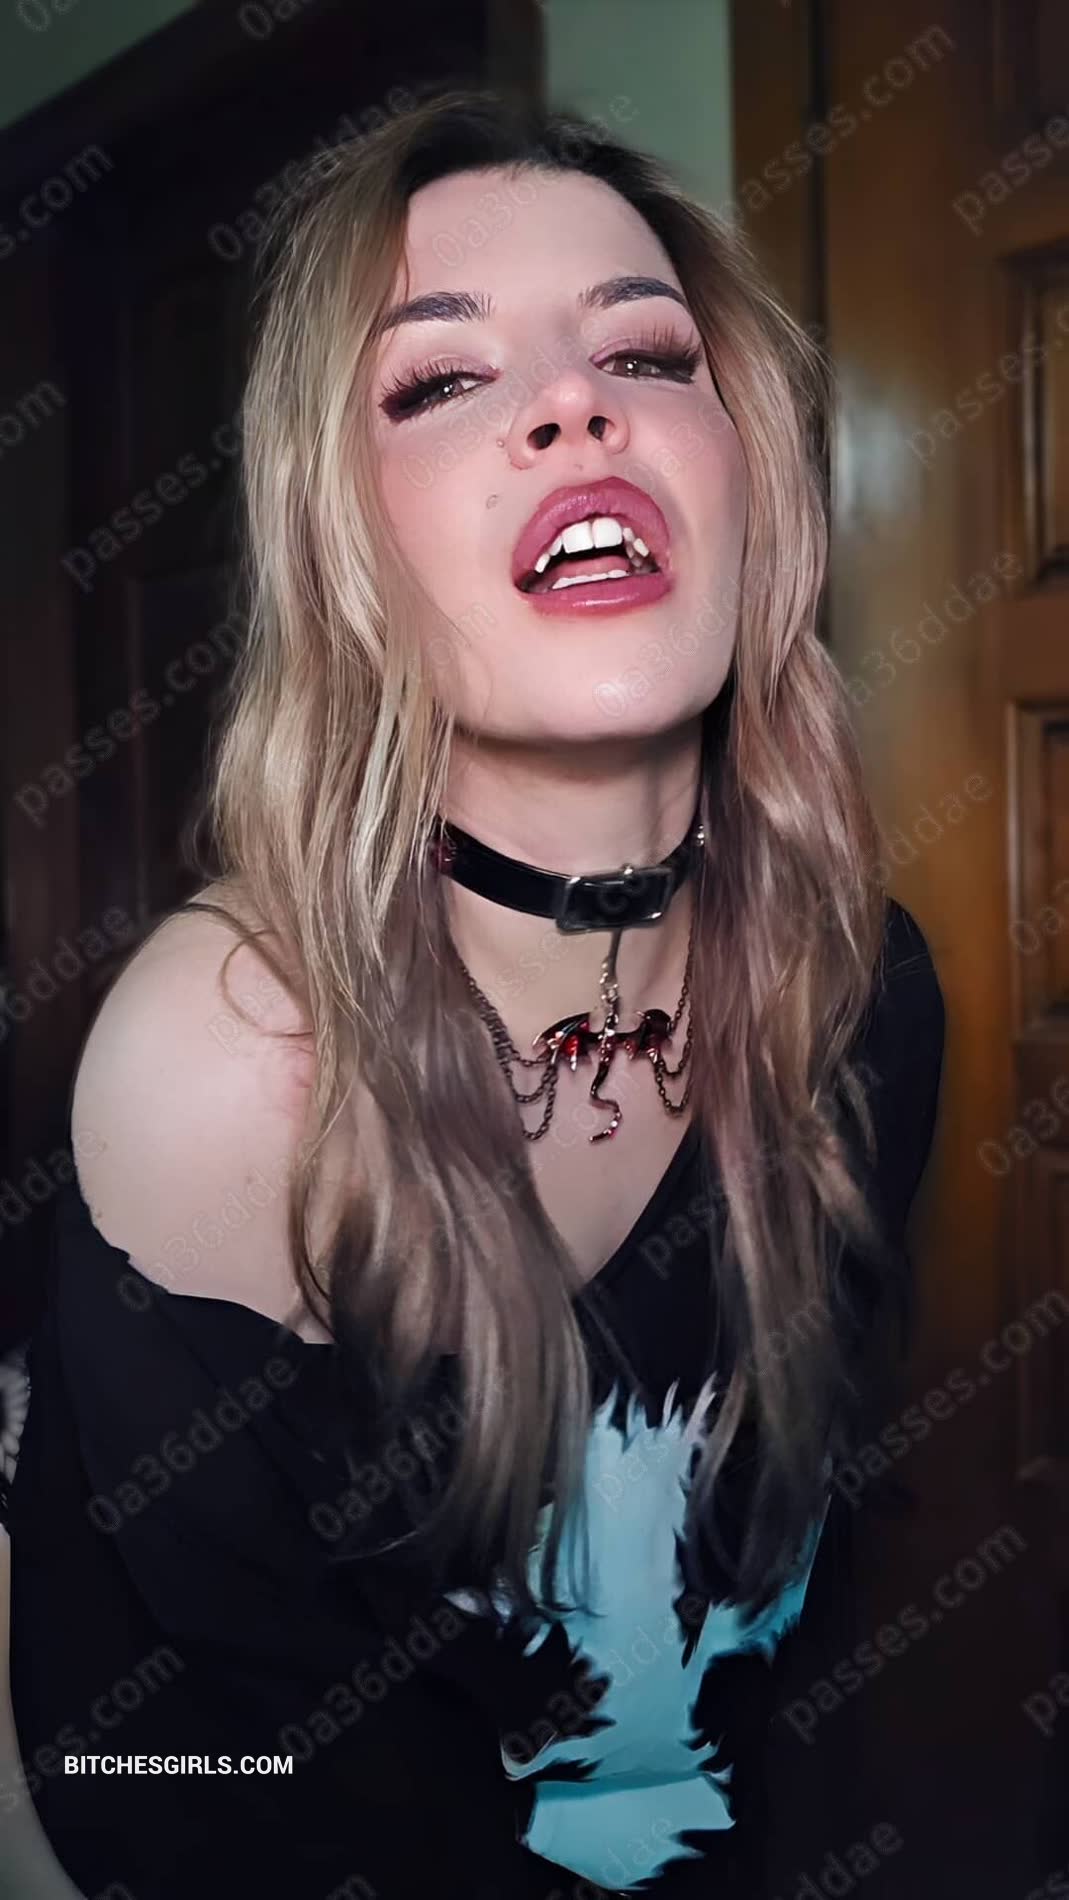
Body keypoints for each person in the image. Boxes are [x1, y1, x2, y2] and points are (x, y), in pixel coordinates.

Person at [0, 88, 945, 1900]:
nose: (577, 406)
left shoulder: (863, 991)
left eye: (644, 355)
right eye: (438, 380)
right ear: (342, 549)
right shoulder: (233, 1063)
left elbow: (775, 1607)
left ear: (749, 475)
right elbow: (281, 1793)